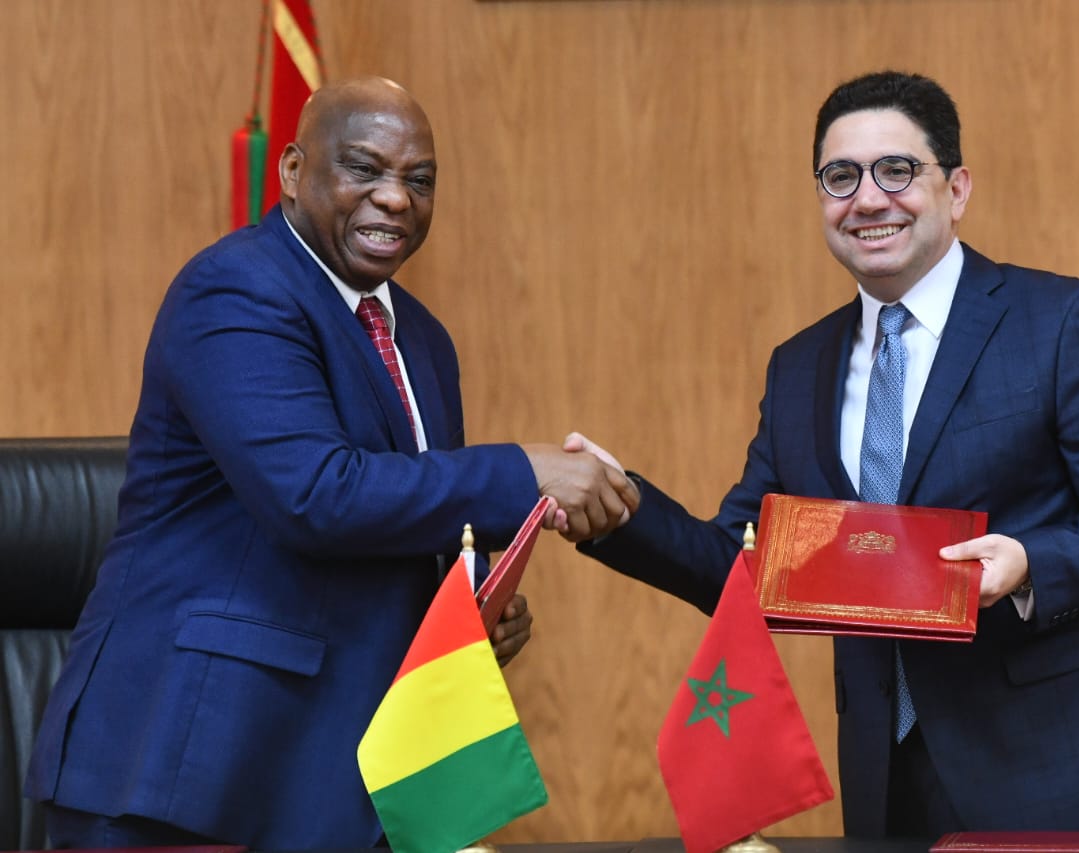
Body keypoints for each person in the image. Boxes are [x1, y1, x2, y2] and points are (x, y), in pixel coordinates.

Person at [570, 70, 1079, 837]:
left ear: (956, 189)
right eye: (840, 177)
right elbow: (742, 562)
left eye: (896, 170)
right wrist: (619, 507)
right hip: (890, 780)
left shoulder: (1062, 320)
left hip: (1072, 775)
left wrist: (1030, 563)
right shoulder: (800, 367)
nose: (868, 199)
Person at [25, 76, 638, 849]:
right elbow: (316, 495)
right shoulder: (236, 290)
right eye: (365, 169)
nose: (396, 198)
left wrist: (465, 608)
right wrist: (525, 472)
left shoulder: (422, 338)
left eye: (420, 180)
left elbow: (409, 519)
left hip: (333, 782)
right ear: (292, 170)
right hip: (190, 771)